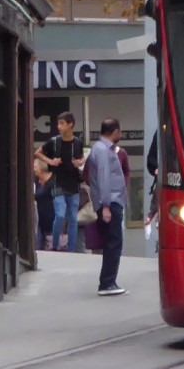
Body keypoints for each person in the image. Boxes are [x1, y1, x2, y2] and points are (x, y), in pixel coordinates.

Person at [87, 118, 127, 296]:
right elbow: (104, 178)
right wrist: (106, 206)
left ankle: (109, 281)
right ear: (115, 132)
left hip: (110, 201)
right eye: (120, 131)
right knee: (113, 242)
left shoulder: (100, 148)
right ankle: (107, 283)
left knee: (112, 242)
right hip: (110, 202)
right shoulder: (103, 151)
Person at [35, 112, 85, 251]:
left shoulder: (77, 143)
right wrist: (51, 161)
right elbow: (38, 152)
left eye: (62, 123)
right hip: (58, 181)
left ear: (71, 125)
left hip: (73, 182)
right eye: (58, 123)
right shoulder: (54, 142)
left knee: (73, 217)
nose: (59, 126)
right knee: (60, 214)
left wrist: (79, 162)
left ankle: (71, 248)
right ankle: (55, 244)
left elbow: (82, 157)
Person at [33, 159, 55, 250]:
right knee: (38, 246)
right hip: (39, 221)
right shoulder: (36, 182)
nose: (33, 169)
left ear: (42, 167)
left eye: (35, 166)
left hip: (51, 221)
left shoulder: (53, 181)